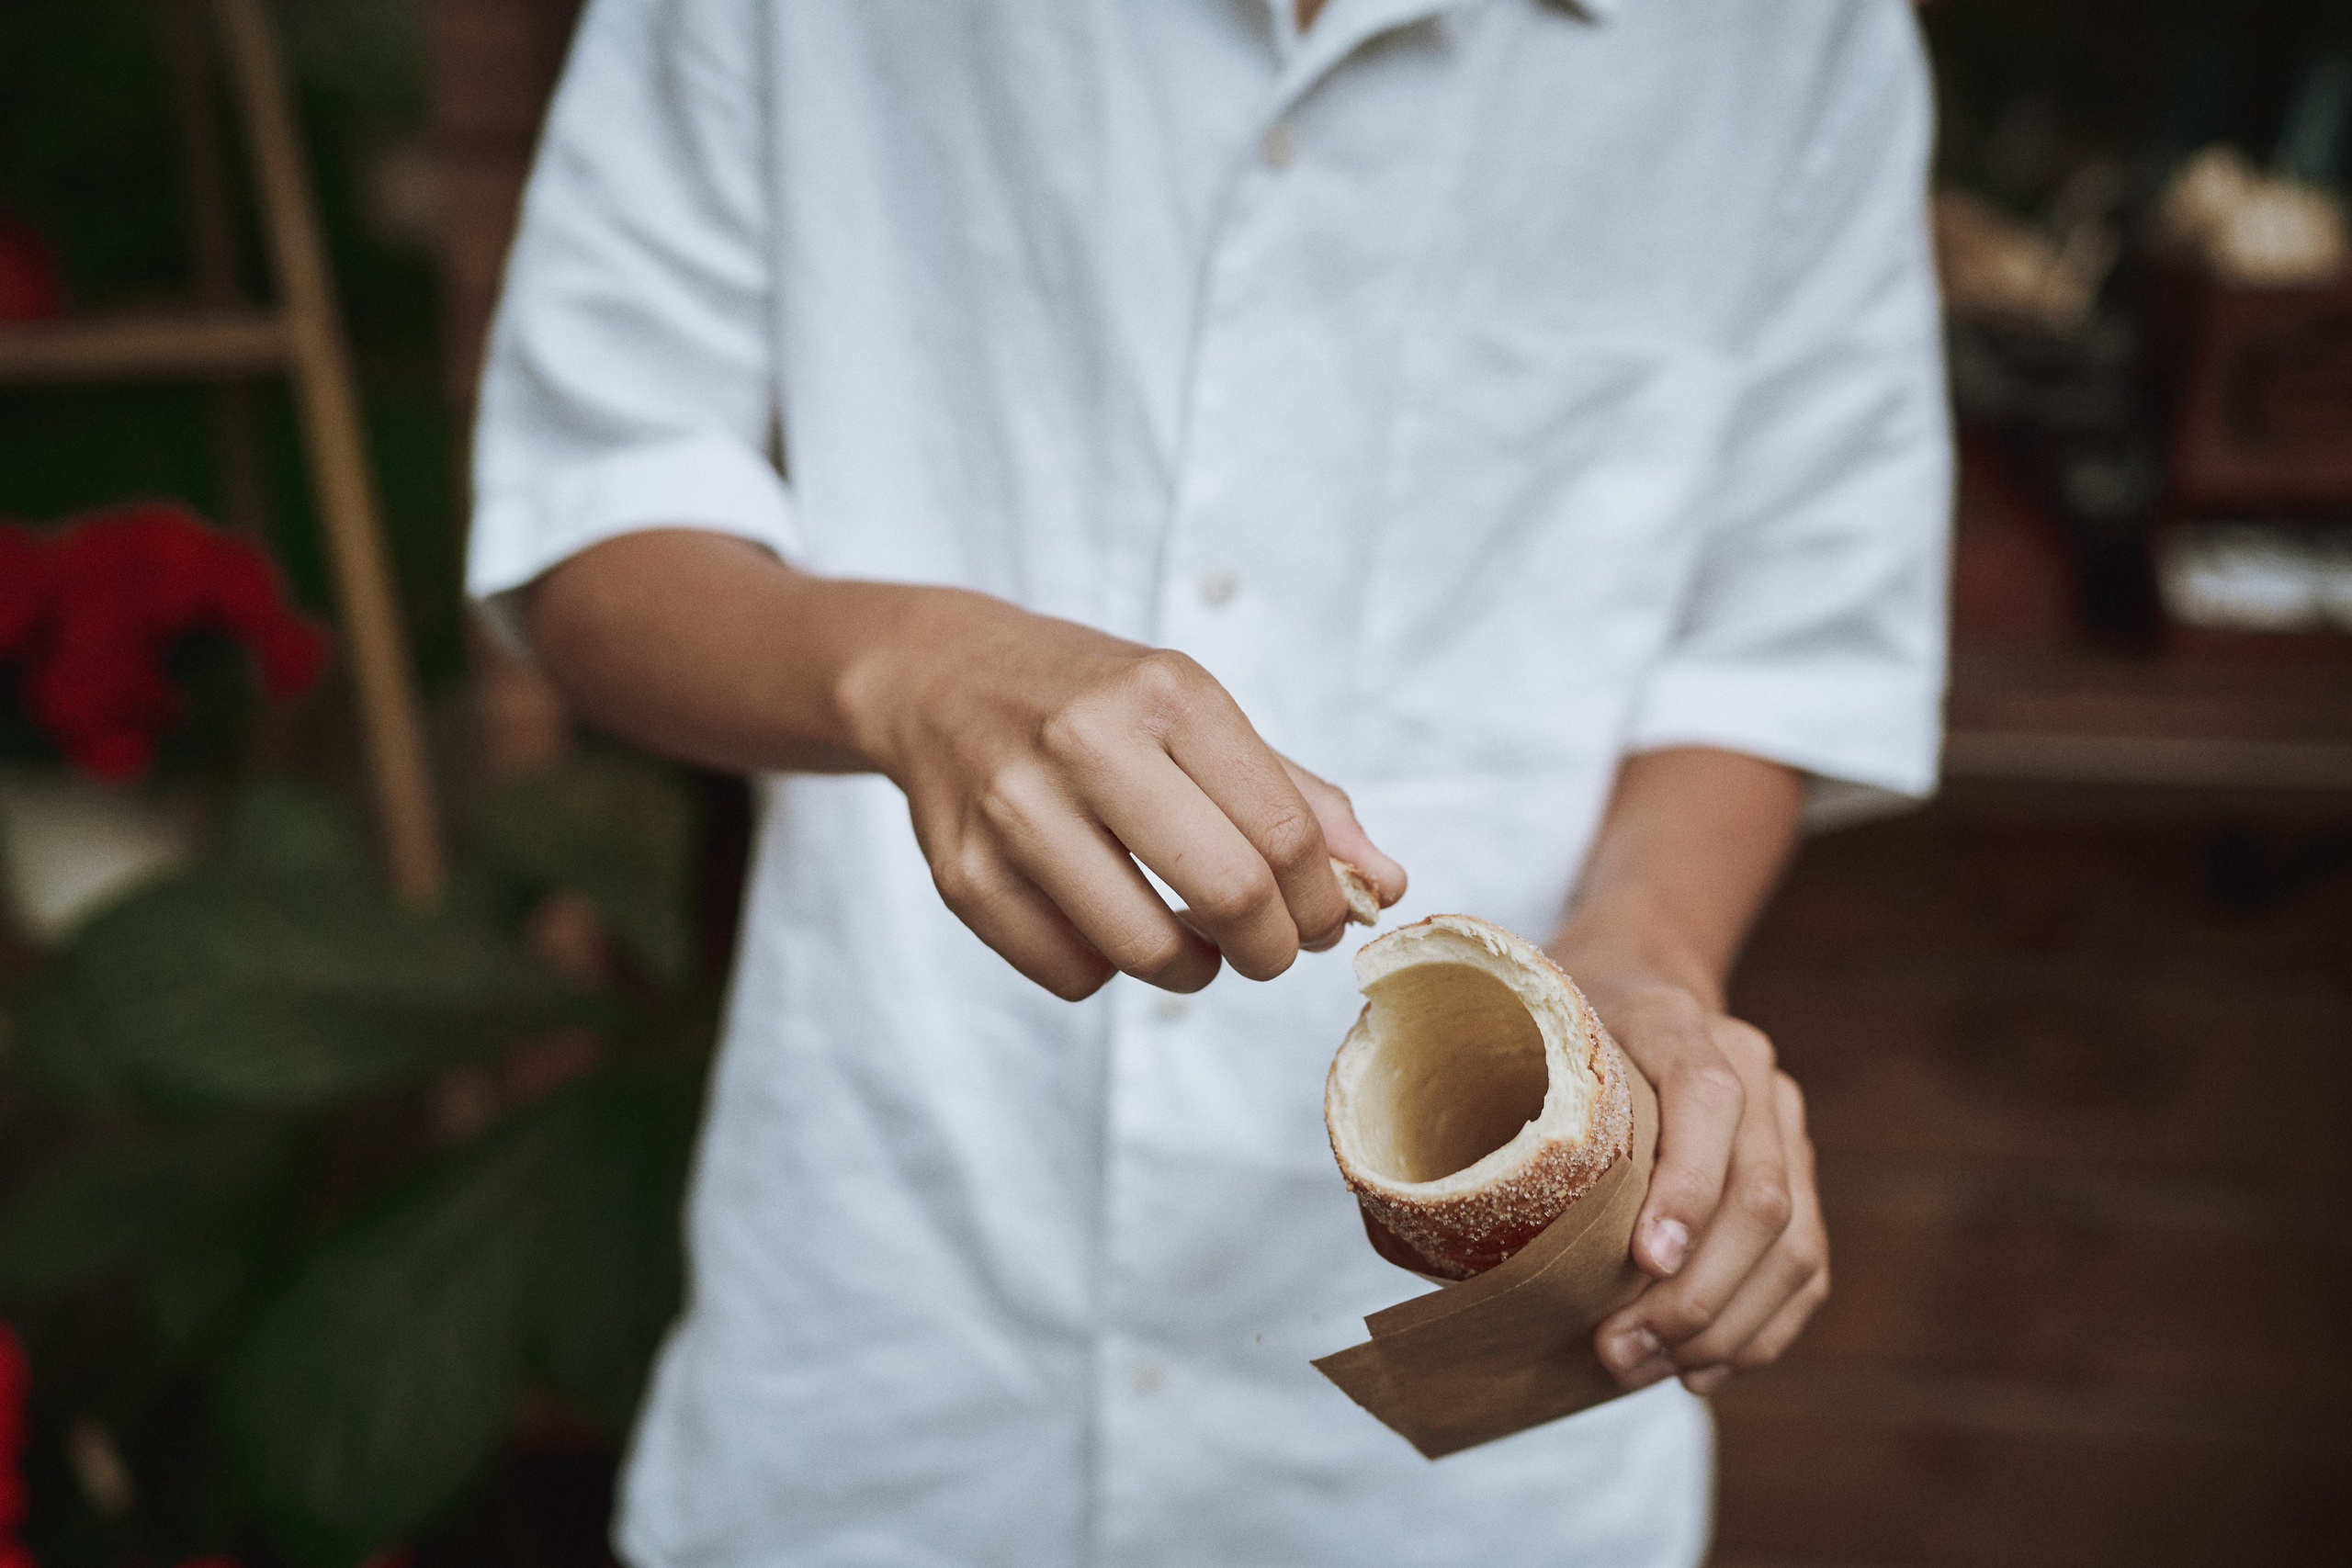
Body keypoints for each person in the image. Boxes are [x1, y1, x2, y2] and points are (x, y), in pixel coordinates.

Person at [466, 0, 1951, 1562]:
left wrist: (1648, 951)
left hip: (1450, 1476)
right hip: (891, 1321)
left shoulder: (1791, 36)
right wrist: (911, 666)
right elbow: (596, 509)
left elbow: (1771, 653)